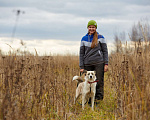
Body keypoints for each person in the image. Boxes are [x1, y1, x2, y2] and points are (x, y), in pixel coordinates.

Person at [79, 20, 108, 104]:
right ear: (87, 28)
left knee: (98, 82)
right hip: (87, 64)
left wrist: (106, 64)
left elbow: (105, 51)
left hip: (99, 63)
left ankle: (98, 100)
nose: (91, 29)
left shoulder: (101, 37)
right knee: (87, 83)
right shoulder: (83, 39)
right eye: (90, 27)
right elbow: (81, 53)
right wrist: (81, 66)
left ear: (96, 28)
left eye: (93, 27)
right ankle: (87, 101)